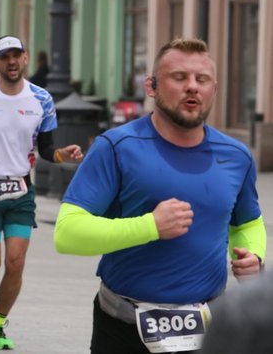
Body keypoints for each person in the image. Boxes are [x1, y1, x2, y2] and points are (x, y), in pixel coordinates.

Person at [55, 37, 265, 353]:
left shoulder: (236, 156)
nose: (192, 86)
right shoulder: (115, 147)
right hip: (123, 326)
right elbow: (67, 233)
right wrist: (150, 226)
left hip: (206, 326)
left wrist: (253, 255)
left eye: (202, 79)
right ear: (151, 86)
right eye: (179, 77)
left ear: (214, 89)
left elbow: (248, 223)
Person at [0, 35, 82, 350]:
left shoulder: (41, 100)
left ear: (25, 58)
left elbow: (47, 149)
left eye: (17, 55)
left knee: (15, 261)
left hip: (21, 192)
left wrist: (64, 155)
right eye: (5, 57)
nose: (12, 62)